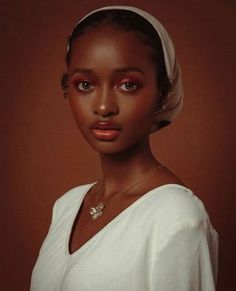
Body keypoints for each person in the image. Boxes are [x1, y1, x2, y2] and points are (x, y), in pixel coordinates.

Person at [30, 6, 218, 291]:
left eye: (128, 85)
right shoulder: (67, 206)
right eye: (85, 84)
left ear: (162, 94)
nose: (104, 106)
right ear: (67, 89)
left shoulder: (177, 218)